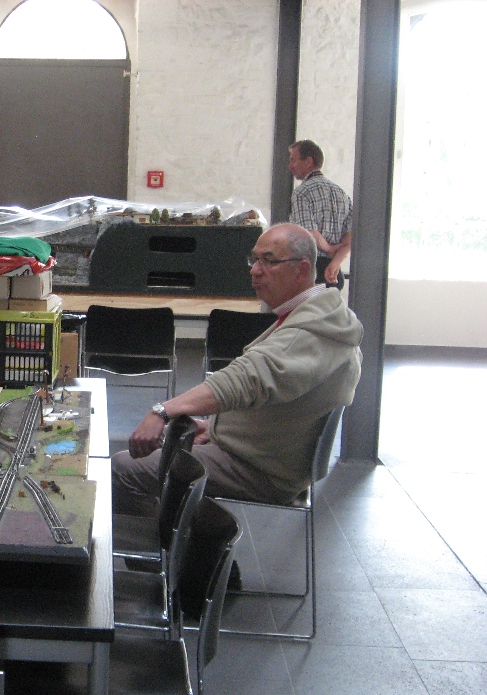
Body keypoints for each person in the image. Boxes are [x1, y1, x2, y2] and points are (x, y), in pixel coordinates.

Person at [112, 223, 363, 516]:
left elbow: (247, 379)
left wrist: (162, 411)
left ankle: (169, 543)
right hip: (265, 453)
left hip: (260, 470)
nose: (255, 270)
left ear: (302, 270)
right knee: (160, 447)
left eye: (269, 261)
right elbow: (280, 398)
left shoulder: (307, 333)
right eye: (254, 259)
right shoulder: (321, 316)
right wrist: (215, 428)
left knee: (123, 467)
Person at [288, 139, 353, 289]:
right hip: (333, 275)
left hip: (309, 273)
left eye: (293, 160)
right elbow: (349, 241)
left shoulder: (302, 193)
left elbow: (309, 233)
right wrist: (335, 263)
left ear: (308, 161)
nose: (290, 166)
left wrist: (329, 249)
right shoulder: (342, 194)